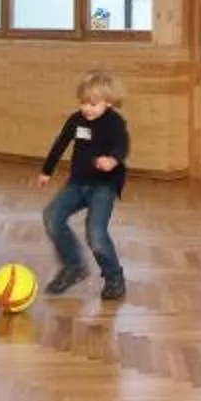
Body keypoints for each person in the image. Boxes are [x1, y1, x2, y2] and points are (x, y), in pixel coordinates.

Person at [33, 69, 131, 301]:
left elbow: (121, 145)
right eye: (83, 102)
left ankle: (114, 277)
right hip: (77, 183)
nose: (86, 108)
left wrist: (113, 159)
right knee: (51, 217)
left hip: (103, 187)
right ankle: (74, 266)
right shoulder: (76, 120)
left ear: (108, 102)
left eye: (93, 103)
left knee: (95, 233)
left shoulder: (115, 122)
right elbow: (60, 143)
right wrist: (47, 170)